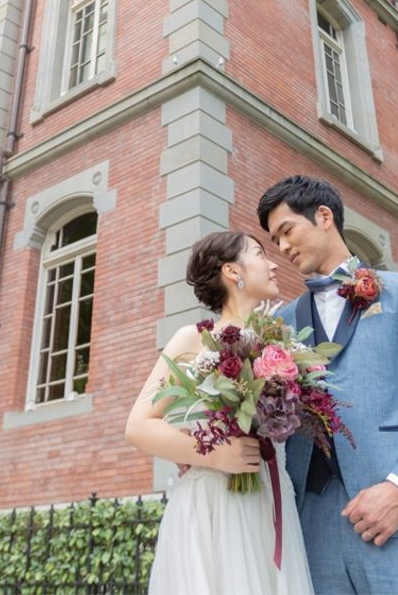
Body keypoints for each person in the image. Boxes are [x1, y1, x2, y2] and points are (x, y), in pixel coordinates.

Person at [258, 176, 398, 594]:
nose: (282, 247)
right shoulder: (280, 324)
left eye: (287, 231)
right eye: (274, 240)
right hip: (313, 529)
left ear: (324, 216)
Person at [127, 231, 314, 594]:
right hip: (214, 500)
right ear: (232, 271)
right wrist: (213, 453)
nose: (273, 264)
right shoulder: (192, 339)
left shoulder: (280, 343)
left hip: (270, 497)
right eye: (259, 254)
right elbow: (138, 426)